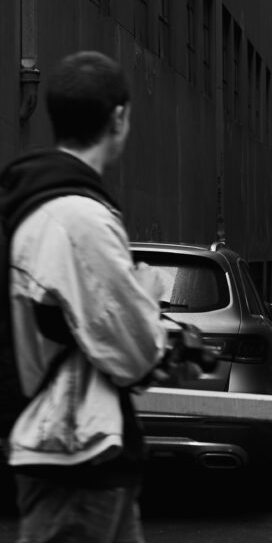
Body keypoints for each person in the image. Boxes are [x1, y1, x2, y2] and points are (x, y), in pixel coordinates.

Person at [0, 51, 167, 543]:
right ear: (118, 117)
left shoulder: (36, 199)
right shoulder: (77, 220)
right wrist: (147, 296)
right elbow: (134, 353)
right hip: (75, 458)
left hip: (68, 449)